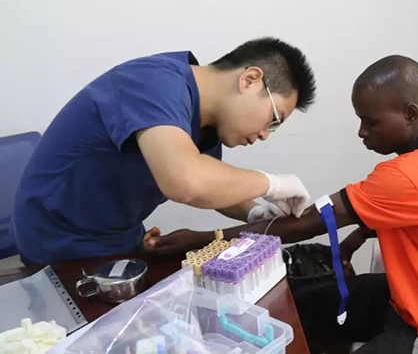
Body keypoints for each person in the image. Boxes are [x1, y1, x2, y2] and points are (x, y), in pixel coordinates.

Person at [145, 55, 418, 354]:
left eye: (371, 122)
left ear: (410, 113)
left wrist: (205, 239)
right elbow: (417, 218)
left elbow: (305, 224)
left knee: (301, 314)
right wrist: (352, 242)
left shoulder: (407, 175)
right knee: (301, 305)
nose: (362, 132)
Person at [11, 37, 317, 265]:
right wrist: (273, 184)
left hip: (118, 236)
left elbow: (211, 181)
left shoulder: (206, 123)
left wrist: (253, 211)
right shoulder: (155, 84)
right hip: (60, 242)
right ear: (250, 80)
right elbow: (187, 181)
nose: (264, 134)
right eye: (273, 119)